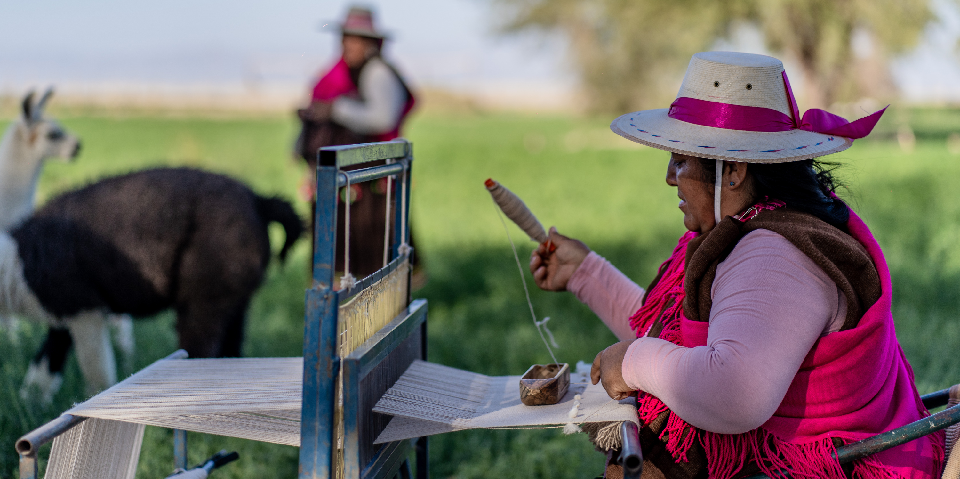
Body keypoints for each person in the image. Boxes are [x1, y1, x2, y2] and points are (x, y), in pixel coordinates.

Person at [529, 51, 943, 478]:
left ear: (734, 172)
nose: (671, 176)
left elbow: (732, 392)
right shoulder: (757, 228)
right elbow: (681, 343)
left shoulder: (775, 257)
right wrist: (584, 272)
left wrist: (635, 361)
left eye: (681, 159)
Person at [297, 6, 417, 280]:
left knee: (370, 245)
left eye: (355, 38)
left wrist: (337, 110)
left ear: (371, 43)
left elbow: (384, 118)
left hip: (371, 179)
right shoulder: (346, 73)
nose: (347, 44)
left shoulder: (377, 72)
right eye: (344, 37)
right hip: (356, 178)